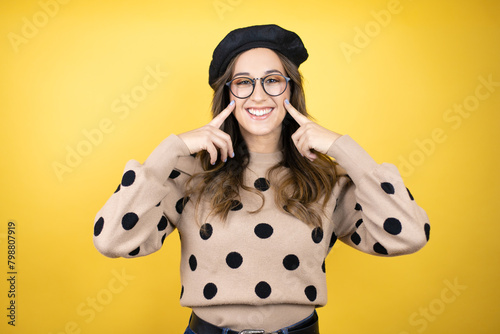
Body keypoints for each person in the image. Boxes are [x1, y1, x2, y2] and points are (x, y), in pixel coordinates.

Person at [93, 24, 430, 334]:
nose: (258, 95)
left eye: (272, 80)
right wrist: (170, 150)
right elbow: (111, 240)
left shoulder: (327, 178)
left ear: (290, 89)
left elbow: (410, 235)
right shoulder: (190, 173)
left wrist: (344, 149)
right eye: (243, 82)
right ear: (228, 94)